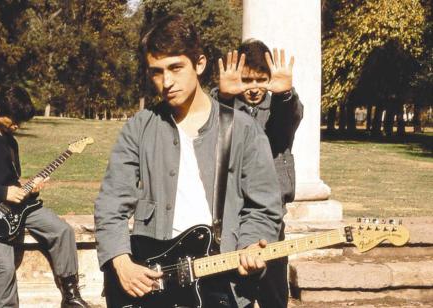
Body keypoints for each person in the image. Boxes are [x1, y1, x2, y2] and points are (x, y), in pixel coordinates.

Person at [94, 15, 283, 307]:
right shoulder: (139, 128)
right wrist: (121, 261)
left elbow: (264, 207)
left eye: (176, 68)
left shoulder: (244, 130)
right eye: (156, 72)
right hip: (154, 283)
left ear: (200, 64)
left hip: (222, 283)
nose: (166, 82)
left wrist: (250, 245)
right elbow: (111, 204)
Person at [0, 86, 90, 308]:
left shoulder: (9, 140)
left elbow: (10, 180)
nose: (17, 126)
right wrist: (2, 192)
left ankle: (71, 295)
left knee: (62, 231)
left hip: (16, 205)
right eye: (14, 120)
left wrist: (28, 188)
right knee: (5, 265)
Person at [212, 39, 304, 308]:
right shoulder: (227, 105)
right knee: (231, 291)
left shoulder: (278, 107)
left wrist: (284, 94)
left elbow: (290, 117)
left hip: (270, 217)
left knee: (273, 292)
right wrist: (225, 97)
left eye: (261, 79)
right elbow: (211, 126)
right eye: (247, 79)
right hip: (230, 214)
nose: (253, 88)